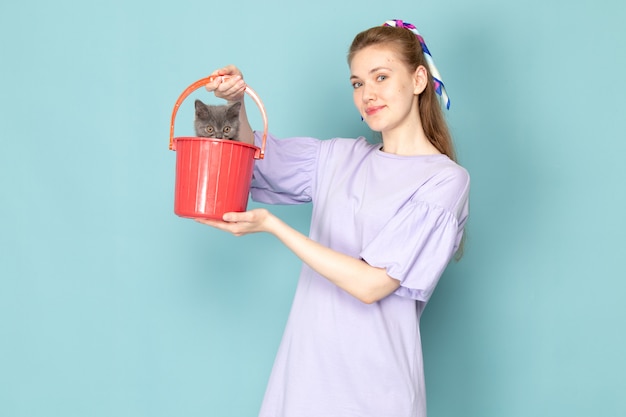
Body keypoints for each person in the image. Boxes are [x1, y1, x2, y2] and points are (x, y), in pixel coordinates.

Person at [197, 19, 470, 417]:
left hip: (377, 390)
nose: (367, 94)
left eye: (381, 76)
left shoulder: (445, 181)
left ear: (418, 79)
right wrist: (237, 104)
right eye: (358, 83)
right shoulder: (336, 157)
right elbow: (255, 162)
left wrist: (273, 226)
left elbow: (372, 283)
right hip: (305, 378)